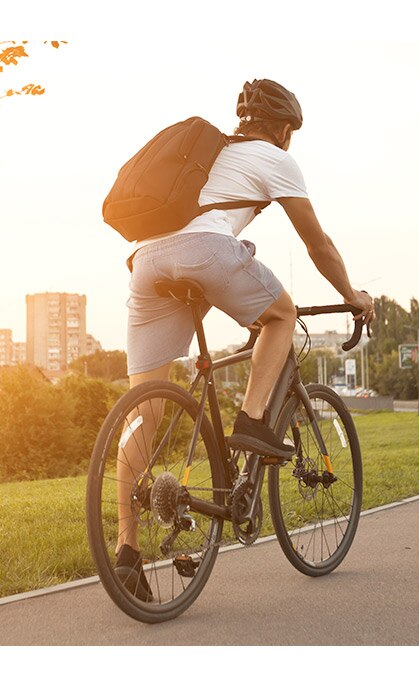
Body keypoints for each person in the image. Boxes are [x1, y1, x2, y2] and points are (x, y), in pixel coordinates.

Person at [114, 79, 374, 597]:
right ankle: (254, 423)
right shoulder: (274, 157)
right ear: (284, 131)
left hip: (145, 262)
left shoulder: (213, 155)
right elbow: (317, 244)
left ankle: (126, 553)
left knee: (145, 413)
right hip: (204, 251)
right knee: (282, 315)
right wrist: (353, 294)